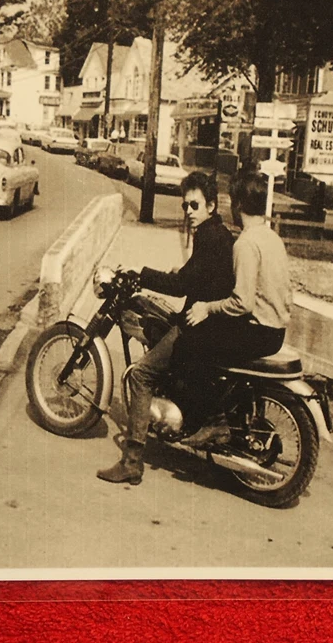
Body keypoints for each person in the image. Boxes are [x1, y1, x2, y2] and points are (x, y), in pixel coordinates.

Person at [97, 171, 234, 485]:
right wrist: (177, 273)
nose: (189, 211)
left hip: (201, 326)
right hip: (214, 322)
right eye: (185, 206)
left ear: (211, 205)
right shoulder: (218, 233)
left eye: (195, 205)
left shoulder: (208, 236)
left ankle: (132, 462)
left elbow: (182, 285)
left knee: (141, 374)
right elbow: (198, 276)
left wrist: (141, 273)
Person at [180, 170, 292, 446]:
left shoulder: (245, 243)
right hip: (277, 330)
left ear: (238, 204)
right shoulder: (272, 237)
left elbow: (242, 302)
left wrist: (207, 307)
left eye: (232, 201)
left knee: (191, 344)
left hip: (258, 332)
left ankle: (214, 421)